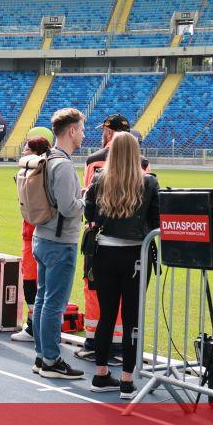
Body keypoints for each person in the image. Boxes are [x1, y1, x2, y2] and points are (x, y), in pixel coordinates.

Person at [84, 132, 159, 399]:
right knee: (131, 319)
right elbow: (157, 219)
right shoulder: (148, 182)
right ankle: (127, 380)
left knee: (106, 316)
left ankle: (100, 373)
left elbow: (89, 213)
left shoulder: (99, 178)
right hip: (135, 255)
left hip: (104, 253)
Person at [76, 114, 150, 365]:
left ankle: (94, 346)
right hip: (135, 243)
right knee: (130, 306)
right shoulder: (144, 165)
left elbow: (89, 200)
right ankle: (124, 358)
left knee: (96, 293)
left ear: (110, 133)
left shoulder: (94, 161)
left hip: (102, 239)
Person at [32, 108, 86, 380]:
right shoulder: (63, 165)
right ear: (71, 131)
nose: (83, 135)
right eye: (82, 129)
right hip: (59, 242)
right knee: (54, 304)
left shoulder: (48, 158)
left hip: (43, 236)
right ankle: (52, 360)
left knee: (43, 300)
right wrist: (87, 200)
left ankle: (42, 356)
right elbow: (68, 207)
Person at [11, 126, 54, 343]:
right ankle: (34, 326)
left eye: (27, 149)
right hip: (30, 235)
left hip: (35, 236)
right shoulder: (31, 172)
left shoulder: (38, 174)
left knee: (33, 283)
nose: (23, 152)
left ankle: (35, 328)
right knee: (31, 282)